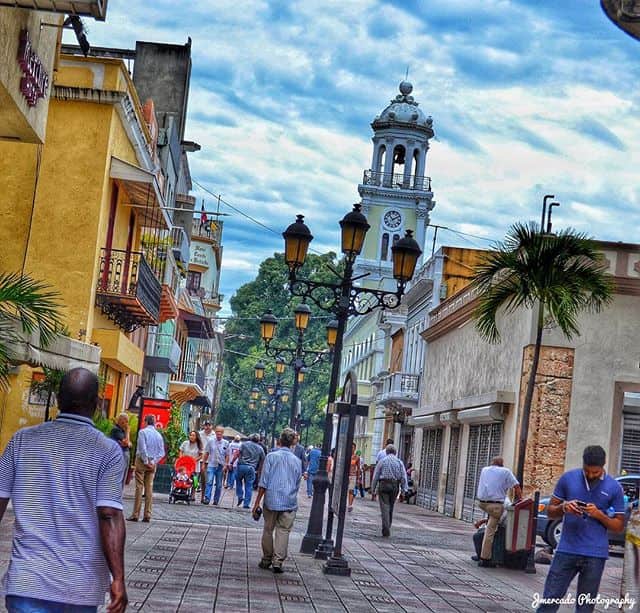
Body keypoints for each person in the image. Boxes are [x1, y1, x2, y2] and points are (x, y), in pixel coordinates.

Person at [0, 367, 128, 613]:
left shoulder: (21, 441)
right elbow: (109, 514)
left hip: (26, 582)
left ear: (59, 400)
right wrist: (118, 579)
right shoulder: (108, 451)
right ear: (97, 402)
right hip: (79, 586)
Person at [536, 445, 625, 613]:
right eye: (587, 471)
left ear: (603, 466)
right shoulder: (568, 479)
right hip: (566, 550)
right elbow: (550, 513)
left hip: (595, 554)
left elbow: (619, 526)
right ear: (582, 464)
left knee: (585, 607)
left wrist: (599, 515)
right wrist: (563, 507)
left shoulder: (614, 487)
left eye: (595, 472)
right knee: (549, 601)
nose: (591, 475)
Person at [252, 428, 302, 574]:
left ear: (280, 440)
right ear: (293, 442)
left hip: (272, 499)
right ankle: (278, 561)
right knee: (284, 531)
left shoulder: (271, 457)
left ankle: (267, 558)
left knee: (268, 529)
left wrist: (256, 503)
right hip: (289, 500)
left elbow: (264, 481)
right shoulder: (297, 461)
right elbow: (297, 483)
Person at [475, 456, 521, 567]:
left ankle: (483, 554)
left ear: (492, 463)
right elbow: (517, 486)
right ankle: (484, 559)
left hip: (482, 503)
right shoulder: (505, 471)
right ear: (502, 464)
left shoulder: (484, 470)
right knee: (490, 530)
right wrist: (520, 499)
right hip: (495, 505)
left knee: (491, 523)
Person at [128, 414, 165, 522]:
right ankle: (147, 514)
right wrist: (153, 462)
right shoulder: (158, 435)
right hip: (153, 462)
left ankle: (135, 514)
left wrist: (146, 461)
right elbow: (161, 452)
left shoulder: (142, 432)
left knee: (139, 487)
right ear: (153, 423)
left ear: (145, 421)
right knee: (149, 488)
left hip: (142, 461)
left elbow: (142, 448)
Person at [371, 444, 408, 537]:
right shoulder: (399, 462)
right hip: (395, 485)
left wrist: (373, 489)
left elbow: (376, 476)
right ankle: (388, 525)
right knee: (391, 506)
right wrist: (404, 490)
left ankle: (386, 527)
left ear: (386, 452)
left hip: (383, 484)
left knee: (384, 507)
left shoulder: (382, 461)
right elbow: (404, 477)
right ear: (395, 453)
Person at [234, 433, 266, 508]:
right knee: (249, 486)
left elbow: (237, 453)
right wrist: (259, 471)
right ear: (258, 440)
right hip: (251, 468)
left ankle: (240, 495)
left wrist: (232, 462)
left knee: (238, 481)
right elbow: (263, 460)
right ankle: (246, 504)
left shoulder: (244, 444)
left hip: (241, 466)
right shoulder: (260, 448)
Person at [203, 425, 229, 505]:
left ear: (222, 433)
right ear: (215, 432)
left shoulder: (226, 443)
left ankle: (216, 500)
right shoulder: (211, 441)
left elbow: (227, 455)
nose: (218, 434)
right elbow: (206, 453)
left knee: (218, 485)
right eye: (217, 432)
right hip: (211, 464)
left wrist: (225, 465)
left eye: (220, 432)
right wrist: (204, 463)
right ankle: (207, 498)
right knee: (209, 481)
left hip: (220, 466)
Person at [179, 430, 203, 499]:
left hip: (194, 465)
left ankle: (193, 493)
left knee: (194, 480)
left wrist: (195, 460)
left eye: (193, 435)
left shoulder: (199, 445)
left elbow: (201, 455)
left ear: (196, 437)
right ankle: (182, 490)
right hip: (185, 464)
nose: (192, 437)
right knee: (183, 477)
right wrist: (181, 458)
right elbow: (181, 451)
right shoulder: (185, 443)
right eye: (191, 435)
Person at [110, 413, 131, 486]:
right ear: (121, 421)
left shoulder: (122, 430)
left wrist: (127, 442)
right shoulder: (116, 430)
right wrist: (128, 432)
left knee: (123, 477)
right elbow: (126, 443)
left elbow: (129, 444)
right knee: (120, 477)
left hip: (123, 453)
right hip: (121, 454)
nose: (127, 424)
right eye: (126, 421)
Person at [198, 421, 215, 503]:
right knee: (195, 477)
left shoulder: (214, 435)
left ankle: (203, 496)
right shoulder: (199, 434)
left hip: (209, 460)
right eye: (206, 425)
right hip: (199, 458)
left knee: (205, 479)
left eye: (209, 425)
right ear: (203, 426)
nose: (207, 427)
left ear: (212, 426)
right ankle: (192, 494)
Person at [347, 443, 362, 512]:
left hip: (353, 475)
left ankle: (350, 505)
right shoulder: (346, 456)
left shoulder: (357, 457)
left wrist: (358, 478)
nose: (351, 449)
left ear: (355, 448)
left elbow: (358, 468)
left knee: (351, 490)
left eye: (353, 447)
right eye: (350, 447)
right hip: (345, 475)